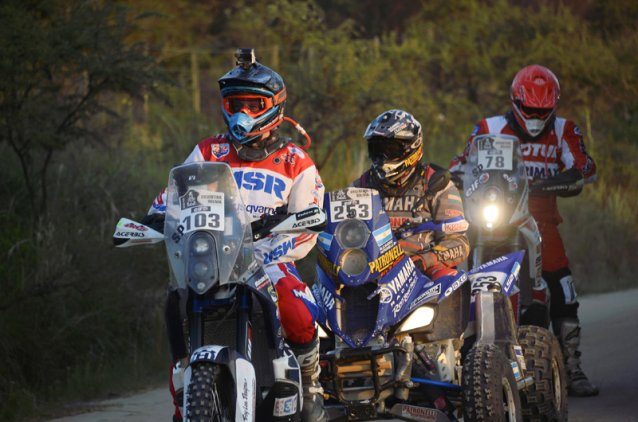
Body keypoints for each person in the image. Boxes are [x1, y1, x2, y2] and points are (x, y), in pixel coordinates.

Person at [143, 49, 327, 421]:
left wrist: (280, 243)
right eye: (235, 103)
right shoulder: (208, 151)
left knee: (293, 304)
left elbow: (310, 220)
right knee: (175, 300)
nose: (243, 111)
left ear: (275, 107)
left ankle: (310, 380)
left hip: (267, 258)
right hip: (213, 259)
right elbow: (173, 195)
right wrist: (158, 215)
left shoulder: (296, 161)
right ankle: (184, 386)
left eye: (253, 104)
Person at [450, 64, 598, 397]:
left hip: (540, 220)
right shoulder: (489, 127)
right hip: (490, 217)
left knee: (562, 287)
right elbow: (462, 161)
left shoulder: (564, 129)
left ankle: (571, 366)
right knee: (459, 279)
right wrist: (455, 173)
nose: (535, 116)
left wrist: (564, 179)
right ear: (515, 101)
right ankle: (461, 362)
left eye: (542, 111)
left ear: (554, 106)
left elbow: (585, 167)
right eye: (529, 108)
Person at [353, 109, 470, 281]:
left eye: (390, 149)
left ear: (412, 148)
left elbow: (459, 243)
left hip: (422, 273)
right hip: (370, 272)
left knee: (448, 279)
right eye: (377, 150)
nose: (382, 157)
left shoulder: (436, 184)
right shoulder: (361, 187)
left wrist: (426, 260)